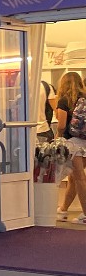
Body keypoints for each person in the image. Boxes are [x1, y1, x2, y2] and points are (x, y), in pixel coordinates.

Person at [54, 72, 86, 223]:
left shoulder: (64, 100)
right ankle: (64, 210)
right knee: (74, 178)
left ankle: (85, 215)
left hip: (73, 143)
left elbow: (61, 125)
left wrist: (57, 139)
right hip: (85, 141)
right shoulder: (84, 98)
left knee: (79, 178)